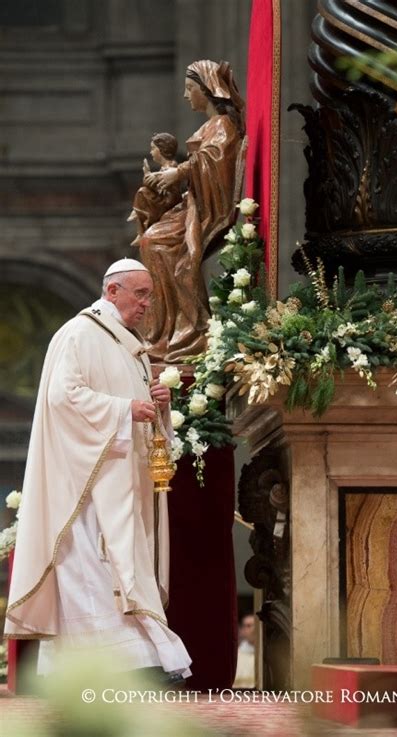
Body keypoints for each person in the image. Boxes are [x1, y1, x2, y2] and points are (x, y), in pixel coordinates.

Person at [4, 258, 192, 682]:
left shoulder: (131, 346)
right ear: (112, 291)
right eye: (140, 294)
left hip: (124, 479)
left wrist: (158, 401)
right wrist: (124, 408)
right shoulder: (79, 334)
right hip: (89, 486)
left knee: (118, 569)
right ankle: (125, 666)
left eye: (150, 295)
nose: (147, 304)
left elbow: (137, 407)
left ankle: (138, 661)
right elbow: (62, 398)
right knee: (94, 571)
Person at [137, 59, 246, 363]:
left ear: (206, 89)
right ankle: (167, 331)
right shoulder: (210, 126)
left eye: (189, 89)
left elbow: (215, 160)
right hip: (194, 202)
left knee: (158, 244)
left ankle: (188, 331)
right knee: (151, 241)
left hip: (206, 208)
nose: (186, 96)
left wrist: (180, 173)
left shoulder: (223, 125)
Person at [128, 132, 182, 246]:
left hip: (169, 202)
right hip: (164, 198)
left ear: (162, 149)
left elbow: (165, 187)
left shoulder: (171, 167)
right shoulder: (164, 167)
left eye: (153, 148)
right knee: (142, 193)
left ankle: (140, 230)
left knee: (142, 193)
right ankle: (140, 230)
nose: (150, 152)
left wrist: (149, 177)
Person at [233, 613, 256, 688]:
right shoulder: (235, 657)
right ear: (241, 630)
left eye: (255, 625)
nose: (253, 629)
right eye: (248, 626)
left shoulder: (267, 655)